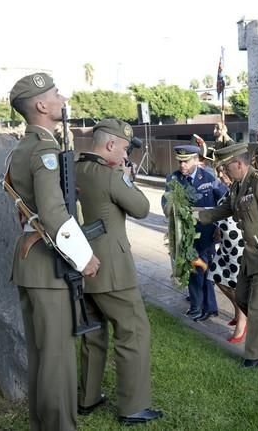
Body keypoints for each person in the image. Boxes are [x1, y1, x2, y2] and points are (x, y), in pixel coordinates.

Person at [8, 73, 100, 431]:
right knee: (58, 358)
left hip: (30, 263)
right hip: (49, 266)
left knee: (41, 354)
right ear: (42, 106)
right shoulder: (43, 149)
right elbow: (53, 211)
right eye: (55, 93)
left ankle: (42, 423)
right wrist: (84, 256)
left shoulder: (23, 147)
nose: (62, 97)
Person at [75, 119, 163, 425]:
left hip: (83, 264)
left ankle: (88, 397)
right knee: (133, 332)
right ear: (111, 145)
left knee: (94, 334)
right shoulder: (111, 175)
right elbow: (140, 208)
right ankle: (133, 406)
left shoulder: (77, 168)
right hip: (112, 269)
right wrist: (127, 179)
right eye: (124, 149)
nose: (126, 156)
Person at [197, 143, 258, 368]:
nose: (222, 173)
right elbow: (227, 210)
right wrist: (198, 215)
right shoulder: (238, 186)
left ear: (239, 164)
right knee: (241, 297)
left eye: (225, 168)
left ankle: (253, 356)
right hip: (252, 253)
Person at [162, 145, 227, 321]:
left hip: (207, 234)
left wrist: (221, 228)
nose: (182, 165)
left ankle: (207, 307)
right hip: (184, 234)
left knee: (206, 269)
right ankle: (198, 306)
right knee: (192, 269)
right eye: (180, 161)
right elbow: (166, 204)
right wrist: (173, 208)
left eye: (186, 161)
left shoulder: (209, 177)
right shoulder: (173, 179)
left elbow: (224, 202)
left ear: (197, 160)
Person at [206, 170, 247, 343]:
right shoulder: (229, 190)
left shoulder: (244, 190)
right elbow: (222, 212)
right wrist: (218, 229)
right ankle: (239, 310)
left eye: (224, 172)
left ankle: (243, 320)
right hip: (225, 244)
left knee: (235, 283)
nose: (221, 175)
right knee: (217, 277)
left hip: (238, 245)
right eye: (220, 172)